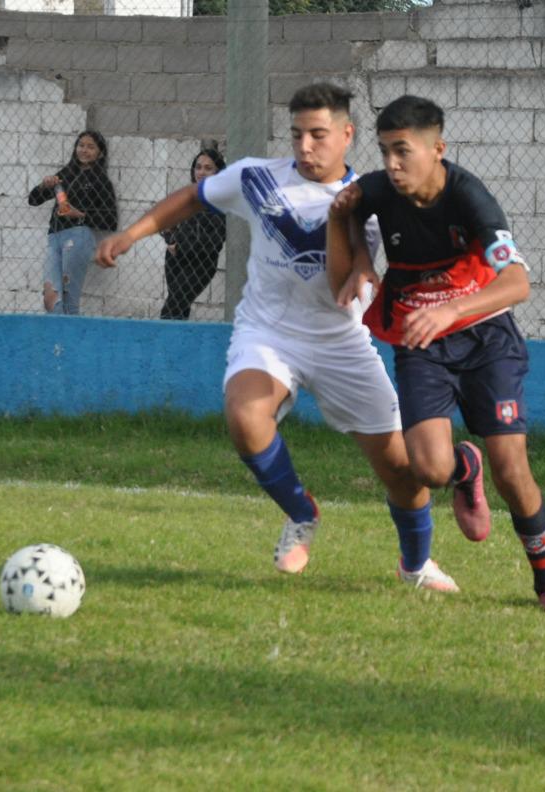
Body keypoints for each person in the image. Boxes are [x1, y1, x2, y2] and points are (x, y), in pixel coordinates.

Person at [96, 83, 459, 592]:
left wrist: (374, 273)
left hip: (341, 341)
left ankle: (416, 565)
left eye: (318, 135)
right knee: (245, 417)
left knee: (401, 468)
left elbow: (384, 251)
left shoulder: (373, 197)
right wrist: (129, 235)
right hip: (269, 332)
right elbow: (193, 198)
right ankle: (301, 512)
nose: (305, 147)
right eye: (296, 135)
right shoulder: (257, 178)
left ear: (347, 135)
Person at [326, 94, 545, 614]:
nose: (392, 166)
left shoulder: (472, 198)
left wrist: (452, 310)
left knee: (513, 471)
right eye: (384, 153)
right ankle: (466, 467)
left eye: (404, 152)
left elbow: (516, 283)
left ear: (437, 148)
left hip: (487, 339)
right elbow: (347, 207)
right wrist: (360, 259)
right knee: (430, 469)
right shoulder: (376, 189)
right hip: (421, 342)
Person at [27, 130, 118, 315]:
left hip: (78, 237)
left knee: (69, 297)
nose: (84, 150)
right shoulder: (65, 174)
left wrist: (81, 215)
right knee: (50, 298)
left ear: (100, 153)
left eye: (91, 147)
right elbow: (33, 200)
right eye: (81, 145)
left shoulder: (101, 180)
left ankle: (69, 340)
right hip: (54, 238)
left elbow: (111, 220)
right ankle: (57, 342)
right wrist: (44, 185)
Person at [160, 148, 228, 320]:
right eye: (198, 167)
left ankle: (163, 344)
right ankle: (176, 344)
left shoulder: (219, 200)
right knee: (178, 307)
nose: (201, 172)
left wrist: (180, 245)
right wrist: (171, 239)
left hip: (200, 264)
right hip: (175, 260)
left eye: (208, 168)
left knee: (171, 309)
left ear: (218, 172)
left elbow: (215, 241)